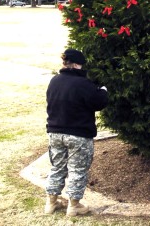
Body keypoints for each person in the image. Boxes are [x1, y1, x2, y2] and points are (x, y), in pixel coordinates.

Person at [45, 48, 109, 216]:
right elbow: (99, 102)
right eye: (81, 64)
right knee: (77, 169)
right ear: (75, 64)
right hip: (78, 135)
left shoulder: (54, 81)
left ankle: (51, 203)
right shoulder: (83, 84)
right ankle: (74, 205)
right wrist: (103, 90)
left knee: (57, 167)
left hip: (54, 132)